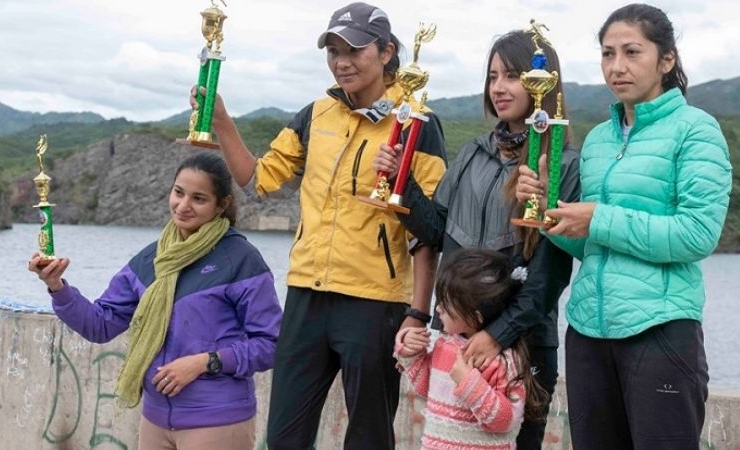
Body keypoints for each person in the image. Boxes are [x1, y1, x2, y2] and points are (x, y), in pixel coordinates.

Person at [190, 3, 447, 448]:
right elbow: (258, 178)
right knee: (283, 437)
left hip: (374, 301)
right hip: (307, 292)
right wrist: (222, 122)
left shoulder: (417, 121)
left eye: (354, 50)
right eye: (333, 51)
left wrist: (418, 313)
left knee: (368, 438)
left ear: (386, 52)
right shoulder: (315, 115)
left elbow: (432, 231)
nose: (342, 62)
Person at [516, 4, 732, 449]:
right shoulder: (598, 140)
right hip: (588, 333)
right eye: (607, 53)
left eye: (632, 52)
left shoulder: (696, 130)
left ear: (666, 60)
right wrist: (548, 214)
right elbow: (593, 246)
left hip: (660, 328)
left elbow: (697, 234)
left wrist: (597, 217)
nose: (617, 66)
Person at [374, 30, 580, 449]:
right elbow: (436, 230)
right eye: (492, 77)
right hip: (456, 336)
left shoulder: (562, 164)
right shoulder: (472, 153)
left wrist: (496, 334)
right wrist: (400, 181)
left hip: (523, 343)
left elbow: (549, 275)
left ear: (543, 83)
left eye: (512, 76)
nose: (499, 88)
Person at [28, 152, 283, 450]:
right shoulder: (153, 258)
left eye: (199, 199)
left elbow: (272, 343)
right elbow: (100, 324)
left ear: (222, 204)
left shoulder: (240, 260)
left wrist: (205, 362)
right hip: (155, 421)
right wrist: (57, 286)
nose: (183, 205)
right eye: (179, 193)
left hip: (216, 420)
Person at [395, 248, 548, 450]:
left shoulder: (503, 359)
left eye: (446, 304)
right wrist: (410, 351)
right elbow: (426, 388)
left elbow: (506, 421)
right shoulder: (445, 345)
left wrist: (469, 383)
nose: (438, 308)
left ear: (475, 317)